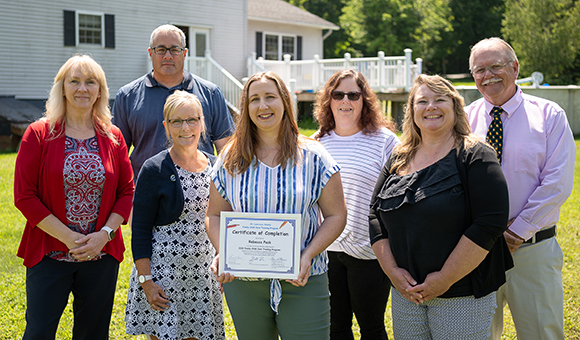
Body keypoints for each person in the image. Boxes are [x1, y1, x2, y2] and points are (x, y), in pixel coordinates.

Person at [205, 71, 347, 340]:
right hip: (244, 282)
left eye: (270, 97)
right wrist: (224, 251)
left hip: (303, 277)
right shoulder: (229, 158)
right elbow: (214, 214)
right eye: (254, 99)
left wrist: (307, 256)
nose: (263, 106)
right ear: (245, 107)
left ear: (285, 102)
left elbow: (336, 215)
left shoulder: (315, 157)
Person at [369, 74, 513, 339]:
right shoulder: (399, 157)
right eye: (422, 101)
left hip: (462, 291)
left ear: (455, 107)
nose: (430, 106)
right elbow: (374, 215)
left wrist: (445, 278)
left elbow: (490, 222)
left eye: (439, 99)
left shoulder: (476, 154)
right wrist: (392, 272)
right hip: (406, 293)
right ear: (412, 110)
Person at [13, 55, 134, 339]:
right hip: (49, 253)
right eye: (75, 81)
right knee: (39, 332)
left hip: (100, 254)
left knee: (93, 333)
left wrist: (104, 234)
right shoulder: (39, 134)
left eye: (91, 82)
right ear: (62, 88)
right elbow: (24, 196)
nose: (83, 88)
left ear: (100, 90)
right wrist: (70, 238)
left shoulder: (113, 136)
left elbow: (126, 191)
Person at [466, 37, 576, 340]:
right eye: (479, 70)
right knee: (478, 334)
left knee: (542, 332)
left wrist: (517, 232)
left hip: (532, 249)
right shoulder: (464, 119)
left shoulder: (549, 115)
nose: (488, 76)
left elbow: (558, 182)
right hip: (476, 251)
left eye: (496, 66)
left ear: (514, 68)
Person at [125, 91, 224, 340]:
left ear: (202, 123)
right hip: (165, 276)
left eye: (192, 119)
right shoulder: (154, 168)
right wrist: (146, 281)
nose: (185, 127)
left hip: (203, 275)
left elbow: (226, 220)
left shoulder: (217, 166)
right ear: (166, 126)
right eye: (176, 121)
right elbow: (140, 230)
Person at [313, 69, 399, 340]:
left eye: (353, 94)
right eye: (338, 94)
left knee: (372, 327)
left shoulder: (385, 141)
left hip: (369, 250)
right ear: (329, 100)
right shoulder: (316, 143)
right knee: (335, 328)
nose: (345, 101)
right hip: (325, 251)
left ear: (365, 100)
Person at [112, 24, 235, 179]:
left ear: (184, 53)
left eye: (174, 50)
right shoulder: (127, 96)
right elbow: (117, 156)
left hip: (201, 194)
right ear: (151, 53)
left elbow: (227, 152)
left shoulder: (210, 93)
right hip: (146, 193)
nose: (168, 56)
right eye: (161, 49)